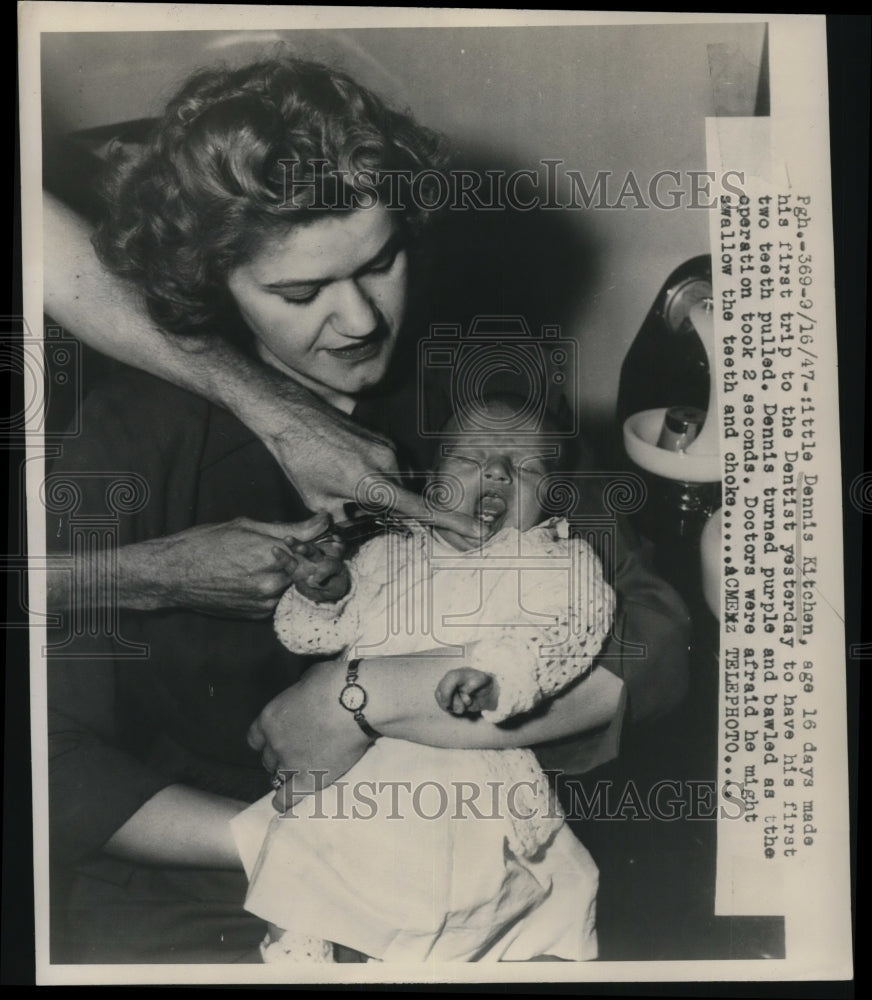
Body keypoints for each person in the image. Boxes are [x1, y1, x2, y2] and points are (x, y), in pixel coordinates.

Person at [43, 53, 691, 963]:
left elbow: (651, 645)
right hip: (207, 880)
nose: (359, 322)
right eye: (300, 293)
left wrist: (369, 701)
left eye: (380, 263)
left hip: (464, 867)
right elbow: (51, 763)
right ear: (209, 284)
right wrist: (290, 847)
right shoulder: (126, 437)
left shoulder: (475, 392)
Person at [231, 398, 613, 963]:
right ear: (430, 486)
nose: (498, 472)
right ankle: (296, 949)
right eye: (468, 460)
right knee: (300, 854)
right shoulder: (390, 555)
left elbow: (567, 630)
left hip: (456, 756)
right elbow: (308, 638)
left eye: (528, 468)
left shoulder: (553, 563)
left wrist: (499, 677)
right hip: (351, 754)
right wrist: (327, 594)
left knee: (443, 879)